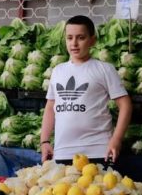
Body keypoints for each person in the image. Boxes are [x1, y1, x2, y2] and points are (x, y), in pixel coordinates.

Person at [41, 15, 133, 164]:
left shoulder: (104, 69)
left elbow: (125, 105)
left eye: (81, 38)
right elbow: (50, 107)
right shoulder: (58, 70)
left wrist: (116, 139)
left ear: (92, 40)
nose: (74, 43)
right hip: (63, 152)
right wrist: (44, 141)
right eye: (69, 38)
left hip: (98, 150)